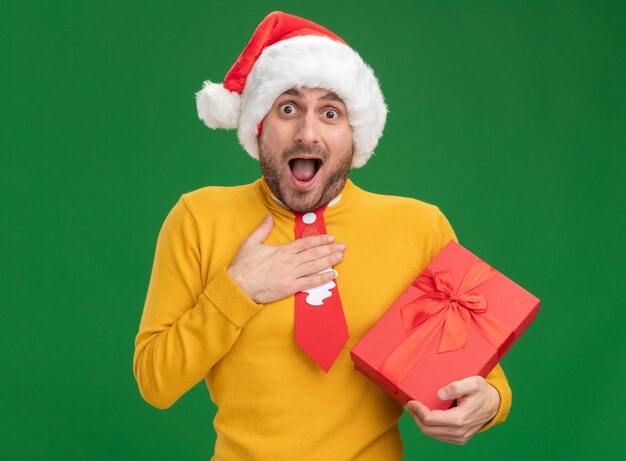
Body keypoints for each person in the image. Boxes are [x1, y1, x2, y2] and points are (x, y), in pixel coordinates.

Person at [133, 11, 512, 459]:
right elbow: (155, 381)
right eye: (288, 108)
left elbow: (485, 376)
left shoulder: (419, 227)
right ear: (259, 125)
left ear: (355, 135)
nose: (307, 132)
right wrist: (238, 289)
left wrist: (489, 404)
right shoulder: (198, 217)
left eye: (330, 113)